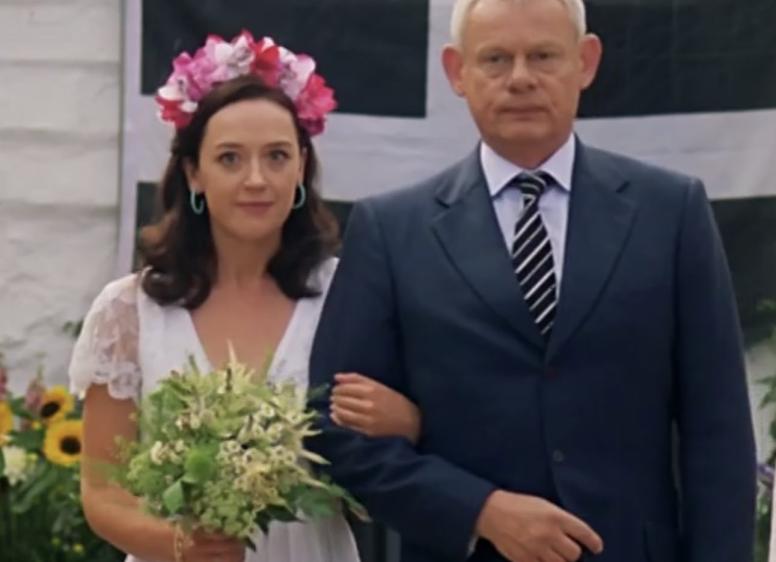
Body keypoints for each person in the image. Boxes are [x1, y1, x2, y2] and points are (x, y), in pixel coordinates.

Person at [308, 1, 757, 561]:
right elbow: (335, 429)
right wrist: (479, 510)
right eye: (496, 59)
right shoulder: (392, 230)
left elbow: (717, 432)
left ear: (586, 61)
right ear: (457, 71)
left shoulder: (670, 212)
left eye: (543, 56)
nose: (520, 78)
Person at [68, 32, 420, 562]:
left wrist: (409, 422)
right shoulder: (129, 311)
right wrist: (180, 545)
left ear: (301, 168)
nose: (256, 180)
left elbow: (416, 441)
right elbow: (103, 492)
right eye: (230, 158)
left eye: (276, 156)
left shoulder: (349, 294)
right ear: (194, 173)